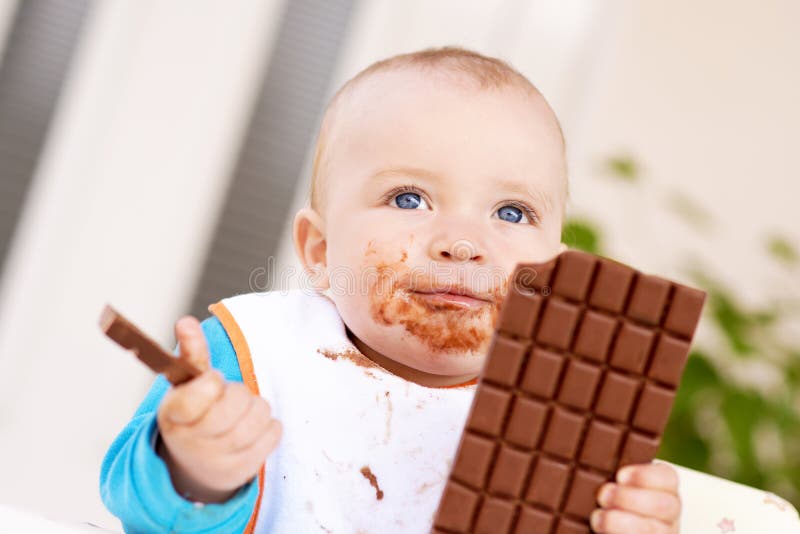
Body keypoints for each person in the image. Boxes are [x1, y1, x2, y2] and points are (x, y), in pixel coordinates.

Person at [100, 46, 682, 533]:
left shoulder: (573, 415)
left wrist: (626, 519)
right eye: (409, 199)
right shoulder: (254, 355)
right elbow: (140, 508)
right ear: (320, 251)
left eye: (511, 211)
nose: (461, 243)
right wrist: (195, 468)